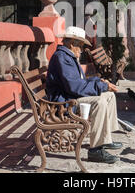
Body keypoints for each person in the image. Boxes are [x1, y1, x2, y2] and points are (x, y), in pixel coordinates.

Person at [46, 26, 122, 164]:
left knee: (109, 96)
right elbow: (74, 87)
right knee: (99, 102)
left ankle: (104, 139)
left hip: (70, 97)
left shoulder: (68, 56)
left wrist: (99, 81)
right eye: (80, 46)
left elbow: (80, 82)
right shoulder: (62, 58)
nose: (81, 50)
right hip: (63, 103)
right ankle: (95, 151)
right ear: (71, 44)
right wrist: (102, 86)